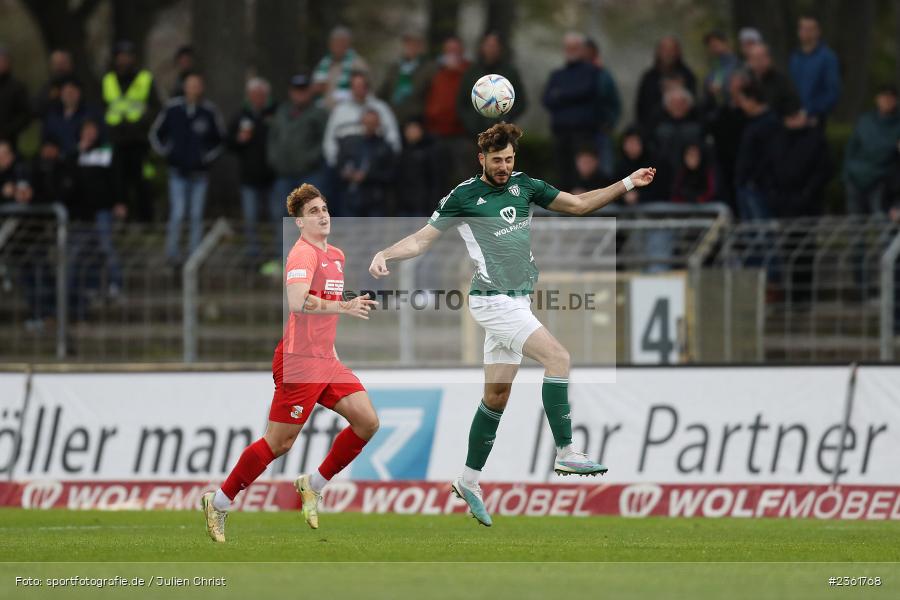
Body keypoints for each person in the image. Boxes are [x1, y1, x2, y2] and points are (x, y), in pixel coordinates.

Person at [367, 122, 655, 526]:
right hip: (493, 301)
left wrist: (627, 182)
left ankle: (468, 481)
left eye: (509, 159)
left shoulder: (526, 187)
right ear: (481, 159)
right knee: (558, 358)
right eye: (497, 160)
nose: (503, 166)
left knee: (497, 396)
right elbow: (420, 239)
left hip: (517, 300)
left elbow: (579, 204)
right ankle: (567, 452)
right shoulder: (464, 196)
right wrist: (386, 253)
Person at [202, 183, 379, 542]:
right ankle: (219, 501)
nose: (323, 215)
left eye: (324, 207)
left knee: (367, 422)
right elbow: (299, 302)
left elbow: (323, 308)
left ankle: (313, 485)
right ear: (299, 222)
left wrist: (336, 330)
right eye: (313, 211)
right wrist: (345, 306)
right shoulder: (302, 255)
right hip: (299, 362)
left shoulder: (337, 256)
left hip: (326, 360)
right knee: (279, 443)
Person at [149, 72, 225, 264]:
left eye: (197, 85)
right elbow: (156, 134)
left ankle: (194, 256)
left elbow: (220, 140)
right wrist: (169, 153)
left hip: (200, 173)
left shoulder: (209, 111)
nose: (193, 89)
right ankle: (172, 254)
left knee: (196, 215)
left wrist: (205, 158)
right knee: (178, 212)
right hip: (177, 171)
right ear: (184, 87)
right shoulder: (173, 109)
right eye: (190, 85)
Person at [542, 32, 620, 189]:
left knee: (584, 176)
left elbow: (588, 91)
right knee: (562, 176)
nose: (571, 51)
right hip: (561, 133)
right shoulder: (557, 74)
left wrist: (561, 94)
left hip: (584, 134)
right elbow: (547, 99)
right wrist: (573, 95)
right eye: (568, 47)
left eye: (575, 47)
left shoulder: (593, 72)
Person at [267, 74, 329, 258]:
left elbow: (325, 141)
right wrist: (274, 158)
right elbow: (273, 138)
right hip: (284, 173)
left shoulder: (318, 113)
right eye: (296, 90)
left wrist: (311, 157)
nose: (299, 95)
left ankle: (315, 257)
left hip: (310, 174)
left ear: (309, 91)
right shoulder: (282, 112)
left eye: (303, 90)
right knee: (281, 214)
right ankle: (285, 258)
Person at [102, 41, 160, 222]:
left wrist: (144, 123)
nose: (124, 60)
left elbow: (155, 107)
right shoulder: (108, 80)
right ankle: (122, 222)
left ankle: (146, 222)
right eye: (121, 56)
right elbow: (102, 108)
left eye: (127, 56)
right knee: (118, 185)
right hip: (117, 142)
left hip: (139, 141)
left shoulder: (145, 79)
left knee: (142, 183)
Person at [229, 77, 276, 259]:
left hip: (272, 176)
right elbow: (229, 142)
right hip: (248, 177)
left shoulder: (275, 113)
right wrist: (239, 140)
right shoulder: (241, 115)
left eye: (261, 95)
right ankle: (253, 255)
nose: (257, 98)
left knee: (276, 216)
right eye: (254, 95)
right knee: (251, 219)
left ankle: (278, 254)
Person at [322, 70, 401, 176]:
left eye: (362, 85)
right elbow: (329, 140)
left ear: (367, 87)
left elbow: (393, 138)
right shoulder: (340, 110)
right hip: (344, 168)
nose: (359, 89)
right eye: (355, 86)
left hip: (375, 169)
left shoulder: (381, 108)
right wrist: (337, 165)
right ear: (350, 88)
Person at [456, 33, 528, 137]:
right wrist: (471, 123)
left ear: (500, 48)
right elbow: (461, 102)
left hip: (501, 134)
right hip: (473, 134)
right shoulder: (471, 72)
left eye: (494, 46)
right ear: (482, 47)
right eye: (488, 45)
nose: (491, 49)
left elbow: (521, 103)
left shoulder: (510, 73)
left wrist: (505, 119)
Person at [843, 84, 900, 215]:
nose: (886, 101)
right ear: (877, 99)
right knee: (855, 219)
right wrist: (847, 173)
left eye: (890, 98)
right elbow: (851, 148)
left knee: (880, 216)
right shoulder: (865, 120)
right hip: (856, 176)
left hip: (883, 178)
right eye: (884, 97)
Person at [424, 36, 471, 187]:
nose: (451, 54)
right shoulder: (435, 73)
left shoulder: (469, 72)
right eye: (448, 50)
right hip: (437, 132)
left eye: (455, 50)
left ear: (461, 51)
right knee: (438, 175)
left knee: (465, 175)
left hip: (461, 133)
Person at [336, 108, 398, 217]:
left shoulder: (385, 147)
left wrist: (368, 176)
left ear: (378, 124)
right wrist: (346, 173)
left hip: (375, 200)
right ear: (361, 122)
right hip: (351, 199)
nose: (369, 126)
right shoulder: (350, 143)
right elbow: (338, 166)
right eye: (367, 123)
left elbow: (391, 174)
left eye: (373, 123)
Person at [734, 82, 779, 220]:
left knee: (761, 229)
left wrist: (754, 179)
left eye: (742, 101)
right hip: (746, 184)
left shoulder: (769, 123)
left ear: (752, 100)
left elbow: (769, 155)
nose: (740, 105)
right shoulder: (750, 122)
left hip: (758, 186)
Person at [650, 86, 703, 199]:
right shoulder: (658, 127)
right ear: (667, 106)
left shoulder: (697, 126)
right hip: (663, 179)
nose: (678, 106)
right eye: (673, 102)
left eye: (681, 102)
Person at [789, 15, 841, 128]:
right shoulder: (795, 57)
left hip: (815, 120)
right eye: (802, 28)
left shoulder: (828, 58)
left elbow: (832, 93)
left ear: (818, 32)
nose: (805, 32)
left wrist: (809, 111)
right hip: (793, 119)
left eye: (810, 29)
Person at [635, 36, 697, 127]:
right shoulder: (649, 77)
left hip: (683, 128)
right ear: (658, 52)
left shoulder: (687, 75)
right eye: (664, 49)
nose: (668, 53)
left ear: (678, 52)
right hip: (653, 128)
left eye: (671, 49)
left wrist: (680, 91)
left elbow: (694, 106)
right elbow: (641, 107)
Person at [377, 31, 435, 126]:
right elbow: (383, 91)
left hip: (416, 121)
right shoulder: (395, 68)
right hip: (393, 118)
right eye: (408, 44)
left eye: (414, 44)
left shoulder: (429, 68)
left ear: (421, 47)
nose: (410, 47)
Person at [42, 78, 101, 159]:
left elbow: (95, 139)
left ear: (79, 93)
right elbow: (46, 140)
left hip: (81, 160)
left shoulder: (90, 114)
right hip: (57, 161)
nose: (69, 95)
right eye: (66, 92)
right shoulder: (52, 116)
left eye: (72, 92)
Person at [312, 26, 369, 108]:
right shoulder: (323, 63)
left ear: (348, 44)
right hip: (324, 109)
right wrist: (317, 87)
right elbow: (314, 86)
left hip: (348, 109)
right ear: (330, 44)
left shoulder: (357, 64)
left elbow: (365, 89)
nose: (338, 46)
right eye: (335, 43)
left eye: (342, 42)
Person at [395, 118, 442, 215]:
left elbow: (436, 179)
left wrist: (433, 203)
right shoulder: (401, 152)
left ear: (421, 131)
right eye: (408, 129)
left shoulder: (430, 151)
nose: (411, 132)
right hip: (404, 203)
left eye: (414, 129)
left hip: (423, 204)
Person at [745, 43, 801, 117]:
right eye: (755, 58)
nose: (759, 62)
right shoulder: (748, 81)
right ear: (749, 61)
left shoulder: (781, 81)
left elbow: (781, 106)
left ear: (769, 59)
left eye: (762, 57)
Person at [0, 47, 31, 151]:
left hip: (9, 141)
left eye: (2, 60)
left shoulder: (17, 87)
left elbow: (25, 115)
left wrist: (7, 131)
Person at [701, 31, 739, 116]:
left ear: (725, 42)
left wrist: (723, 88)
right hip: (717, 113)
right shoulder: (713, 68)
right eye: (710, 44)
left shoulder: (737, 64)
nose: (712, 46)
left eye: (716, 42)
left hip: (735, 112)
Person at [34, 49, 75, 118]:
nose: (60, 67)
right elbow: (37, 108)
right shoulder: (49, 87)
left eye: (63, 63)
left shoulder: (79, 84)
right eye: (57, 64)